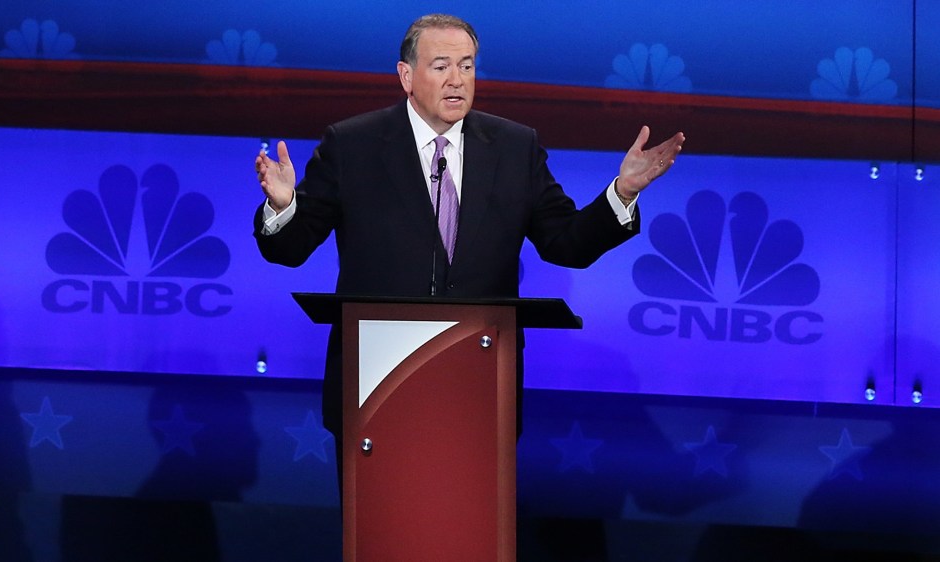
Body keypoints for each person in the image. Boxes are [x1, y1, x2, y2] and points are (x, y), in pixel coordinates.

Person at [253, 13, 684, 470]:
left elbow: (566, 243)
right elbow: (290, 249)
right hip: (373, 388)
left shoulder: (515, 147)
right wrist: (283, 206)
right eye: (441, 66)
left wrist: (622, 193)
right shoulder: (352, 145)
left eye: (467, 65)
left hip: (479, 386)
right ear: (406, 76)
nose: (457, 80)